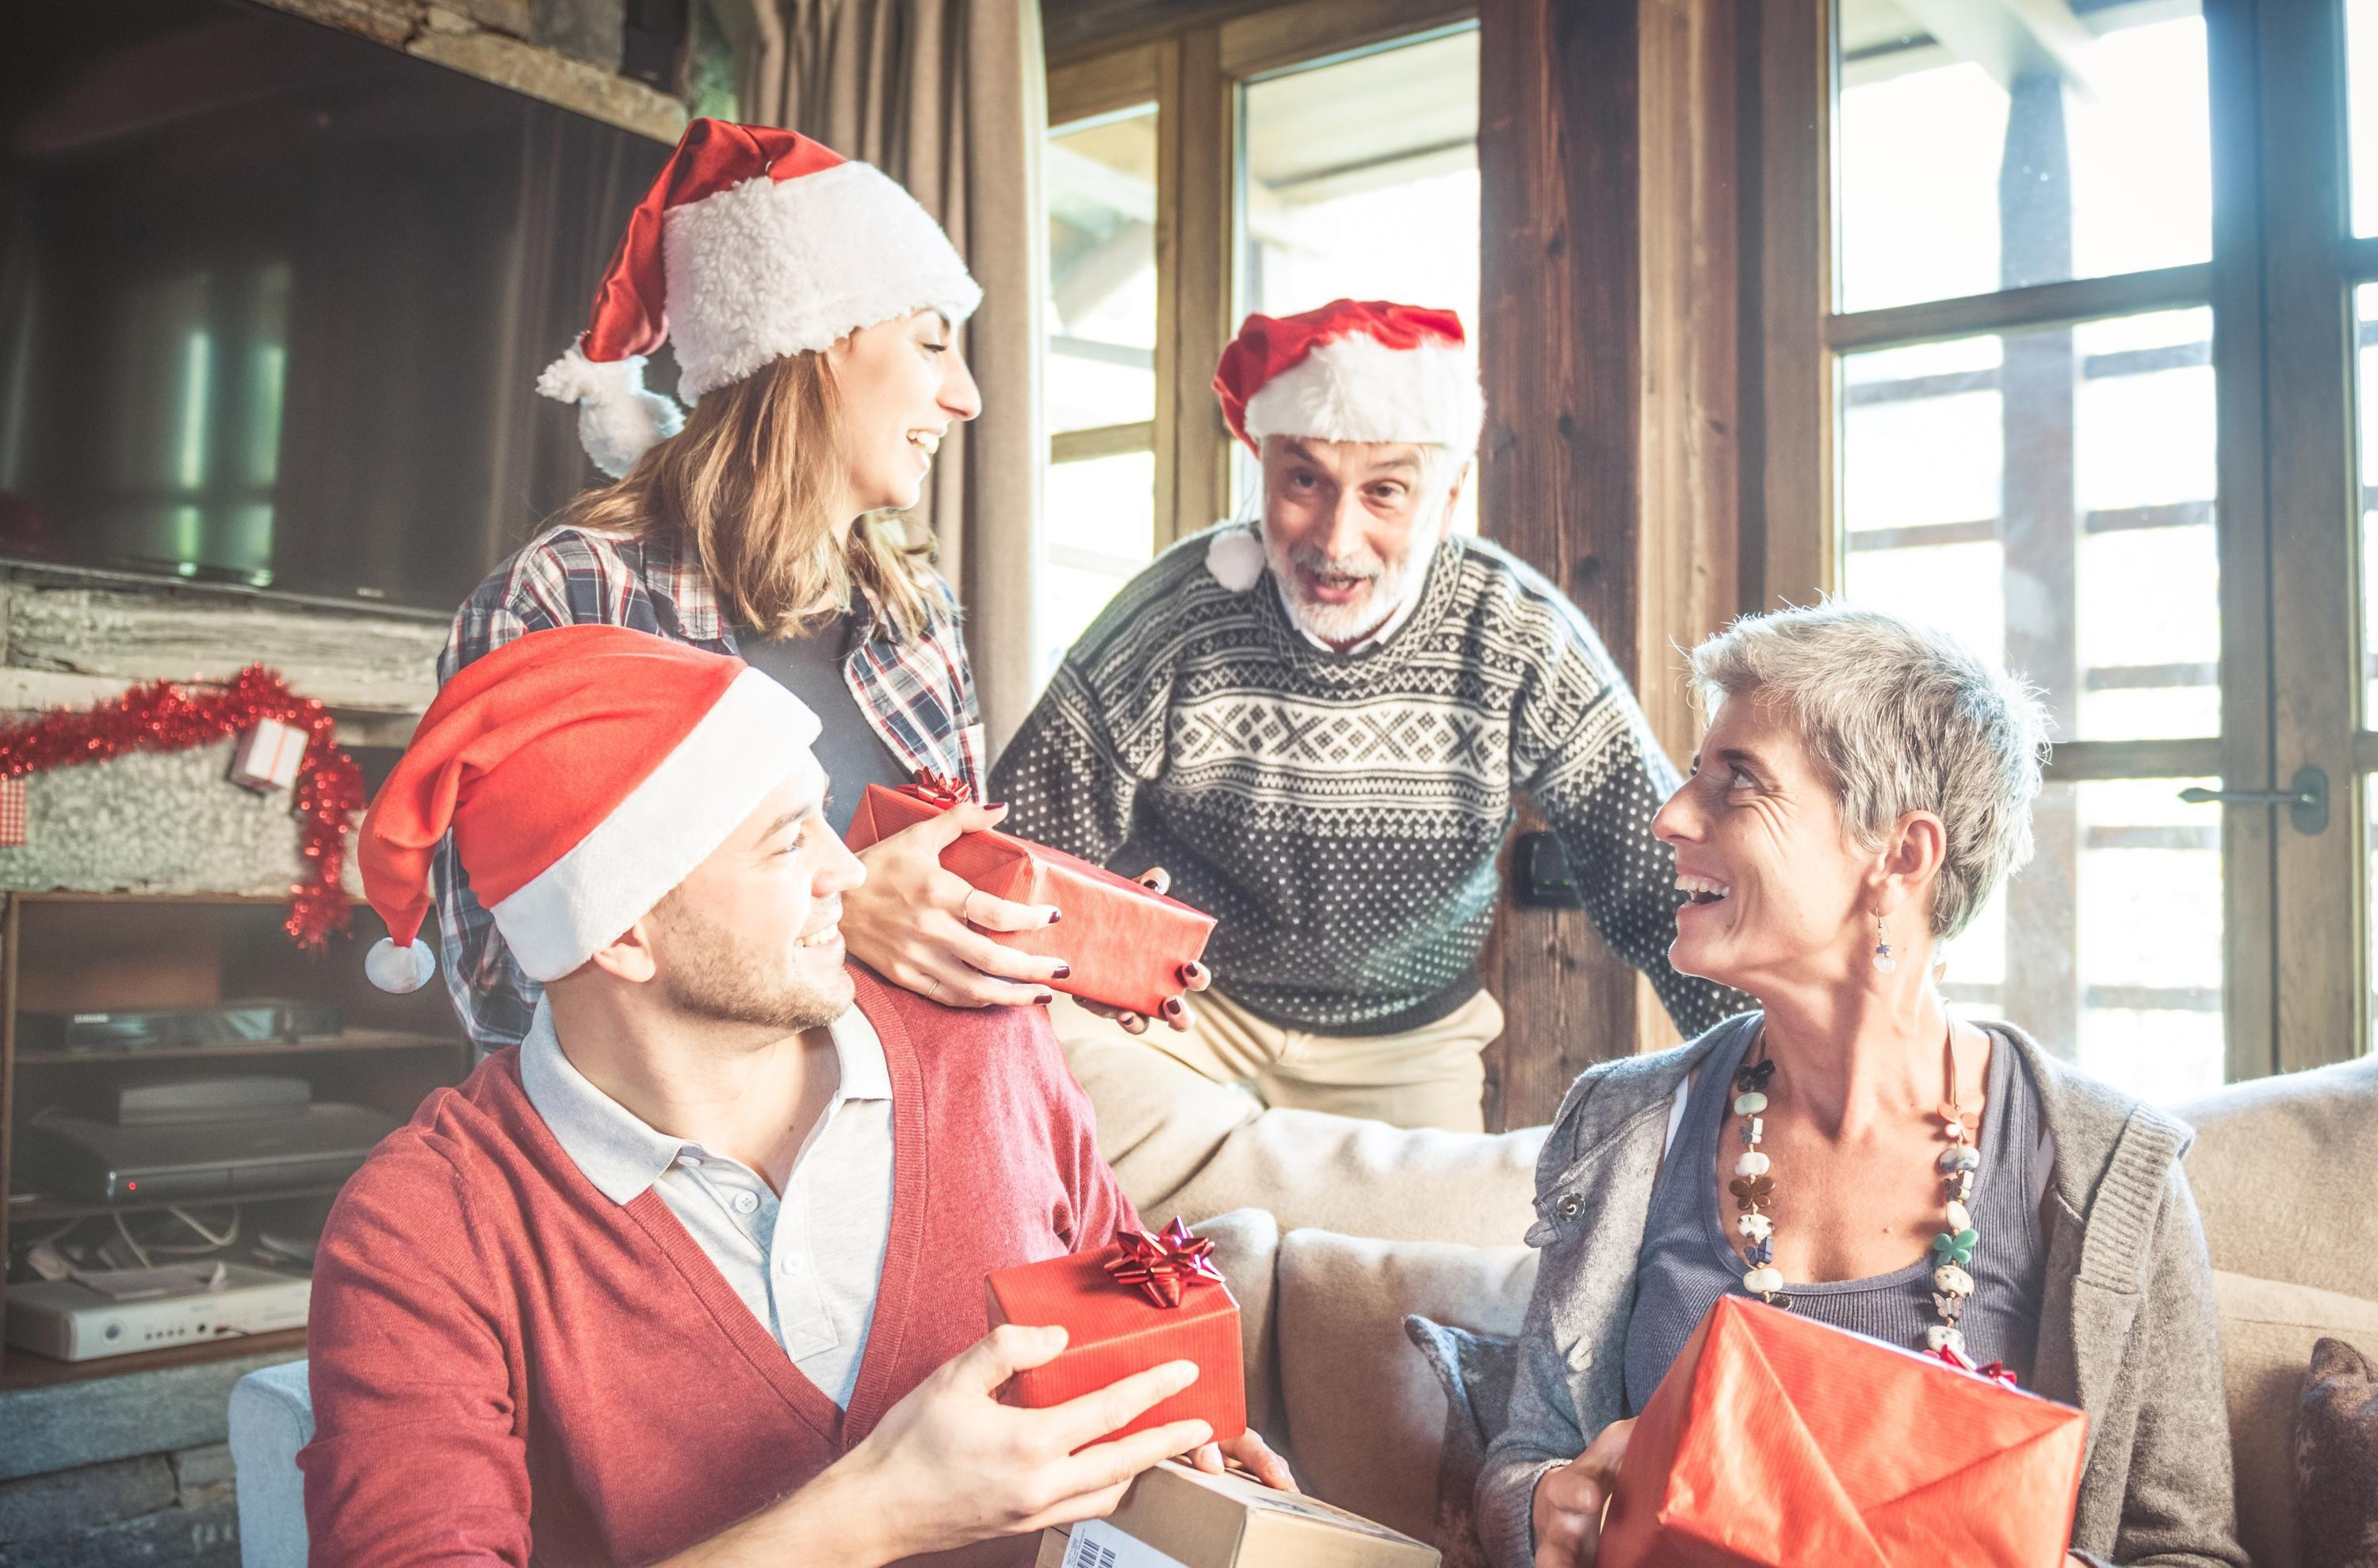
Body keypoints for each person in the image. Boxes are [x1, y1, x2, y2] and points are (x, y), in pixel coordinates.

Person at [307, 626, 1286, 1565]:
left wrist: (1183, 1454)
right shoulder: (425, 1230)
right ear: (623, 933)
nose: (847, 871)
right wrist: (874, 1513)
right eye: (787, 844)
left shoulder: (986, 1048)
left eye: (826, 816)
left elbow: (1122, 1321)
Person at [1476, 605, 2244, 1568]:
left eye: (1738, 784)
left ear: (1901, 856)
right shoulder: (1626, 1123)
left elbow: (2189, 1551)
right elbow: (1526, 1454)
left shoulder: (2107, 1175)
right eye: (1691, 775)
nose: (1672, 817)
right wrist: (1548, 1500)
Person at [991, 299, 1741, 1134]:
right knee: (1079, 1190)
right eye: (1303, 481)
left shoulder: (1521, 634)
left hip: (1405, 1041)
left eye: (1385, 491)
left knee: (1414, 1261)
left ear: (1449, 493)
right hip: (1183, 1011)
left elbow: (1658, 881)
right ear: (1261, 464)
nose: (1337, 540)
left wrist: (1762, 1082)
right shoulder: (1171, 615)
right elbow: (1022, 850)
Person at [437, 117, 1073, 1054]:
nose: (967, 397)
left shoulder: (915, 610)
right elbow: (501, 982)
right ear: (814, 349)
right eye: (933, 346)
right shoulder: (570, 596)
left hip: (932, 1095)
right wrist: (834, 915)